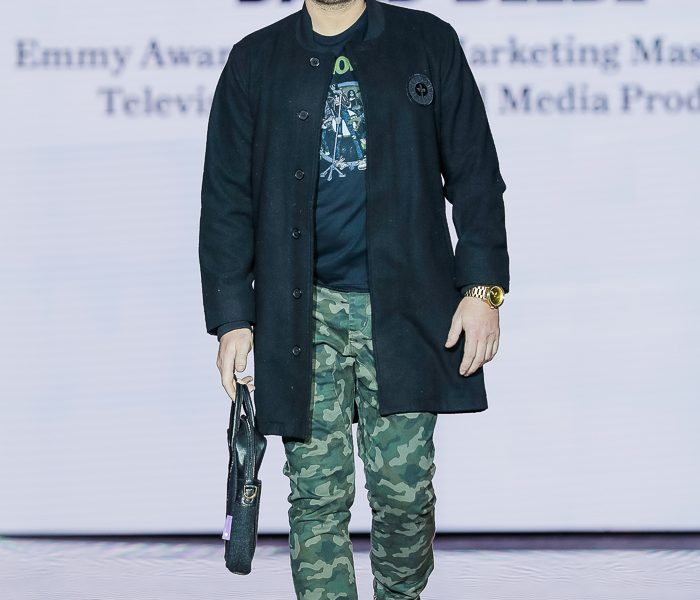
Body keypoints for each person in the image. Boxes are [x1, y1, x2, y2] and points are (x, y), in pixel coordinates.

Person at [198, 0, 510, 598]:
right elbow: (226, 198)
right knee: (316, 495)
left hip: (406, 309)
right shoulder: (255, 60)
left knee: (405, 494)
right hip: (300, 313)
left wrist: (483, 290)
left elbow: (475, 172)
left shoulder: (426, 41)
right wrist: (233, 318)